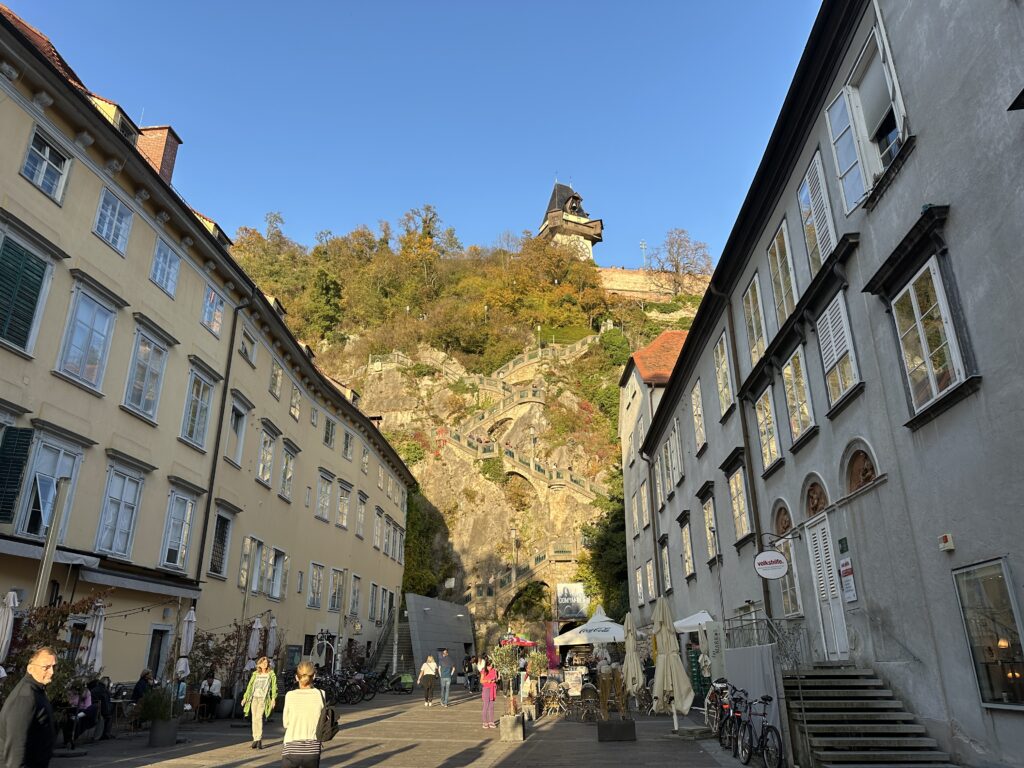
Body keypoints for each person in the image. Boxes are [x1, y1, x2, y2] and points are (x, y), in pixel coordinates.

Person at [0, 646, 58, 768]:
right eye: (46, 667)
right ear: (30, 668)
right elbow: (16, 748)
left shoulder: (36, 691)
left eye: (54, 667)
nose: (52, 672)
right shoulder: (25, 697)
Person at [282, 661, 324, 768]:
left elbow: (285, 723)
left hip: (291, 746)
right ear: (314, 676)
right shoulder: (321, 694)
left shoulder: (290, 695)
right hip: (312, 747)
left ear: (297, 677)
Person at [241, 656, 278, 750]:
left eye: (267, 663)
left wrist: (273, 698)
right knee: (254, 718)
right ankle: (255, 738)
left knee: (259, 717)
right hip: (254, 698)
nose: (266, 664)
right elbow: (250, 686)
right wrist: (245, 698)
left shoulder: (271, 674)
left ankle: (259, 738)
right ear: (260, 664)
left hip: (263, 698)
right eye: (264, 663)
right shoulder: (255, 674)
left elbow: (274, 687)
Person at [62, 681, 97, 748]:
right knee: (70, 719)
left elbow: (87, 706)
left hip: (83, 712)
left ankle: (77, 717)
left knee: (94, 707)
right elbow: (69, 703)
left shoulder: (86, 692)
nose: (76, 692)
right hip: (72, 710)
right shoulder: (69, 692)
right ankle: (70, 739)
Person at [479, 657, 498, 729]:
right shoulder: (483, 671)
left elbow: (495, 678)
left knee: (491, 706)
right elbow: (481, 681)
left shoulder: (494, 670)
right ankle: (484, 722)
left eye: (491, 666)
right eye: (488, 666)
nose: (490, 667)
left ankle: (491, 721)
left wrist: (494, 680)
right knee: (486, 705)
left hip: (492, 688)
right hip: (486, 688)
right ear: (486, 665)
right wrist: (488, 681)